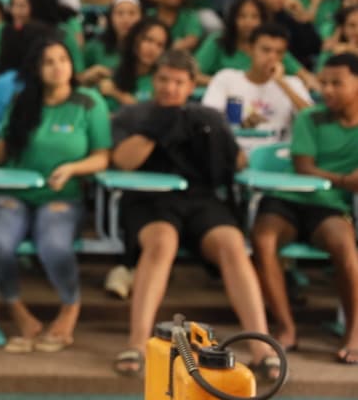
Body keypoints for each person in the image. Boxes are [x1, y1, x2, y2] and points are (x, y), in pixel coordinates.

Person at [109, 50, 280, 381]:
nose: (170, 88)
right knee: (162, 243)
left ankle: (261, 347)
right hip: (149, 201)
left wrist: (214, 136)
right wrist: (157, 127)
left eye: (178, 82)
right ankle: (137, 342)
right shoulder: (134, 115)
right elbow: (123, 162)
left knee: (232, 244)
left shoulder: (207, 117)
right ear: (152, 80)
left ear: (191, 86)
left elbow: (237, 164)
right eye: (163, 80)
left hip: (199, 199)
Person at [0, 39, 111, 352]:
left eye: (63, 59)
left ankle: (69, 310)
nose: (58, 66)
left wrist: (74, 168)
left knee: (53, 246)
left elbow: (103, 156)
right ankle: (20, 314)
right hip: (14, 193)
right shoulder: (23, 102)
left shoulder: (89, 102)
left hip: (61, 197)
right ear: (37, 69)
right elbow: (1, 152)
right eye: (48, 61)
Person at [251, 52, 358, 364]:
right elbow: (303, 167)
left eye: (336, 83)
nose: (326, 90)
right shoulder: (310, 118)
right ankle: (285, 328)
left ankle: (353, 331)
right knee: (263, 238)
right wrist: (343, 179)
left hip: (329, 208)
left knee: (345, 247)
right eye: (323, 83)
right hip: (287, 199)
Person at [201, 23, 311, 144]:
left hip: (277, 156)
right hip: (234, 152)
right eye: (266, 50)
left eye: (279, 52)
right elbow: (208, 120)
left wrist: (281, 83)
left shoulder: (293, 84)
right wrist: (240, 126)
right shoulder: (226, 78)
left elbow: (312, 120)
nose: (272, 57)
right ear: (250, 49)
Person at [98, 17, 170, 110]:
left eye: (160, 45)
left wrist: (116, 93)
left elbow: (148, 113)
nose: (152, 49)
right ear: (135, 39)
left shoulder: (162, 81)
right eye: (148, 40)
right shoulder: (114, 74)